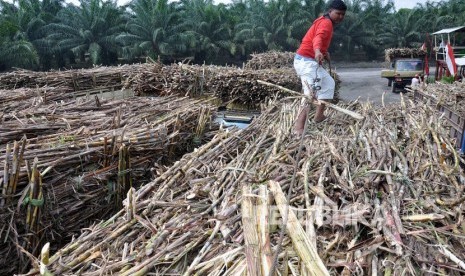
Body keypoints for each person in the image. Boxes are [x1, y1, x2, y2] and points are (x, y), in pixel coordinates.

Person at [293, 0, 347, 134]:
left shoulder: (323, 21)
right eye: (338, 13)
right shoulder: (326, 23)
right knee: (310, 95)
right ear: (330, 11)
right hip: (307, 62)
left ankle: (319, 116)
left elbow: (318, 39)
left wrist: (324, 52)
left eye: (343, 14)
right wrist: (317, 51)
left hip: (307, 60)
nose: (340, 17)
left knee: (329, 83)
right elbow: (318, 38)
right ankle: (298, 127)